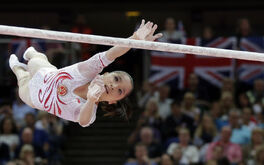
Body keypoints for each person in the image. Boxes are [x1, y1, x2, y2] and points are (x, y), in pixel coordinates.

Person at [9, 19, 162, 127]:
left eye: (120, 91)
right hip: (45, 73)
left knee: (21, 77)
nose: (114, 86)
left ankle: (18, 67)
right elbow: (113, 53)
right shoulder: (88, 70)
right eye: (116, 78)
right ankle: (31, 54)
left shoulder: (88, 112)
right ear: (105, 73)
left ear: (113, 101)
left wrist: (90, 100)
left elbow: (82, 121)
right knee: (36, 58)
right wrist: (134, 39)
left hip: (35, 97)